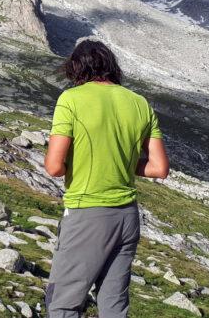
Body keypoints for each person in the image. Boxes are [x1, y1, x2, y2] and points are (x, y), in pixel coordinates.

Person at [43, 39, 169, 318]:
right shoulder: (139, 103)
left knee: (62, 303)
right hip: (127, 217)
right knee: (114, 305)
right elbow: (159, 168)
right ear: (111, 67)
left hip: (88, 213)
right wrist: (119, 163)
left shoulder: (71, 99)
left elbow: (54, 166)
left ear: (75, 68)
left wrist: (80, 163)